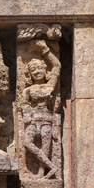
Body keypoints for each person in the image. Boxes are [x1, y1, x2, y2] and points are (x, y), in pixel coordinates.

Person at [21, 40, 61, 179]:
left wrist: (46, 51)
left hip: (47, 120)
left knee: (46, 147)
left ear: (45, 70)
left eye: (40, 69)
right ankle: (52, 166)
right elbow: (24, 104)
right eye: (33, 70)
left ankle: (41, 172)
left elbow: (57, 65)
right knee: (27, 143)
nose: (37, 72)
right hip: (33, 120)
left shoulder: (50, 85)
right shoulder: (28, 90)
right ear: (29, 75)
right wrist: (27, 116)